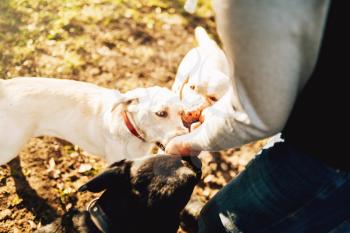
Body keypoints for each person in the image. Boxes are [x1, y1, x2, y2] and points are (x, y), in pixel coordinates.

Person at [165, 0, 350, 232]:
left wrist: (187, 142)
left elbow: (256, 118)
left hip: (328, 150)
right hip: (325, 121)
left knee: (220, 223)